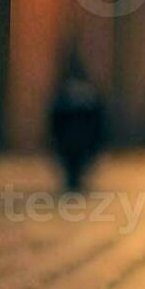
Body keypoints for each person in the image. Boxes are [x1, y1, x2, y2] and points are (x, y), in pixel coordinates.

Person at [49, 52, 106, 192]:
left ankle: (74, 177)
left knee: (73, 158)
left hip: (72, 138)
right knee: (75, 158)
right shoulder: (87, 93)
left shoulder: (67, 92)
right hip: (79, 138)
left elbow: (55, 122)